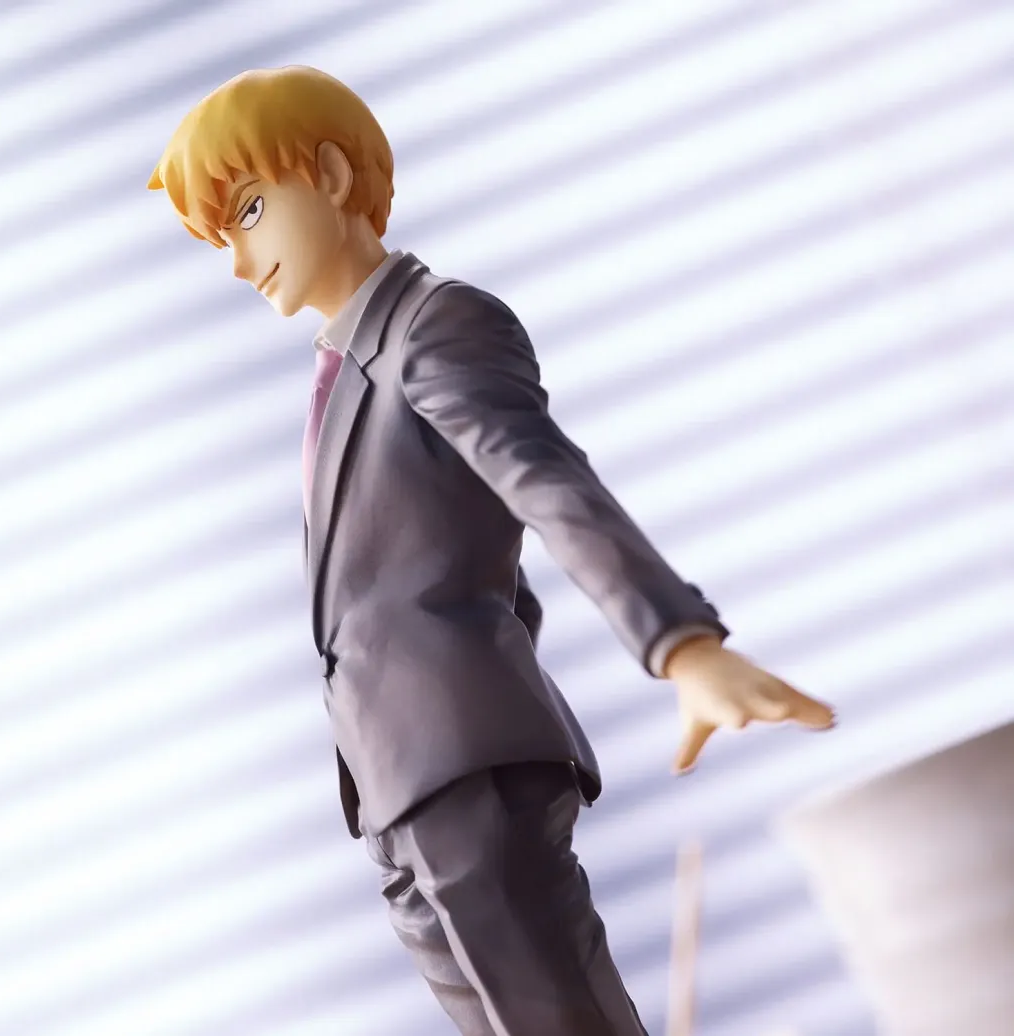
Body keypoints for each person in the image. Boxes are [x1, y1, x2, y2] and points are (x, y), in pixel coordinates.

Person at [149, 65, 835, 1036]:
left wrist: (682, 645)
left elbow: (543, 481)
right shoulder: (350, 364)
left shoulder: (437, 326)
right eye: (220, 235)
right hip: (400, 785)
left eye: (250, 211)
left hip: (461, 770)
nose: (237, 260)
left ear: (332, 177)